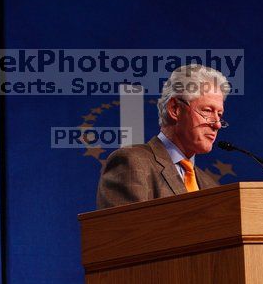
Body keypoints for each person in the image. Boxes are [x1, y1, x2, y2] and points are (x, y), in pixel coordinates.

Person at [96, 64, 230, 209]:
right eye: (208, 111)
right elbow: (125, 230)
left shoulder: (210, 185)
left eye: (220, 115)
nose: (217, 124)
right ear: (175, 109)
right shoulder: (133, 163)